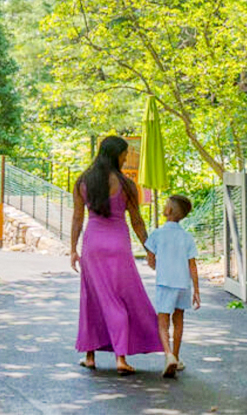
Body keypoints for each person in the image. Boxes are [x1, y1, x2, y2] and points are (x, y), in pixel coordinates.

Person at [70, 135, 162, 374]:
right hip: (119, 246)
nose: (126, 157)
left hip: (92, 246)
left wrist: (72, 249)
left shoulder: (82, 181)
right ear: (115, 155)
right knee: (120, 298)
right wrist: (149, 248)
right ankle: (120, 358)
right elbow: (137, 222)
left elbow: (78, 218)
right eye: (124, 153)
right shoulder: (127, 185)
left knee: (92, 298)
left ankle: (90, 357)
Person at [143, 193, 200, 378]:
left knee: (162, 322)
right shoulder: (187, 237)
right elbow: (192, 265)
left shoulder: (157, 234)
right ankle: (176, 355)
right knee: (179, 320)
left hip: (164, 283)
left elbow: (150, 260)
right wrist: (197, 290)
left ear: (167, 211)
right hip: (183, 284)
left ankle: (168, 355)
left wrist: (158, 266)